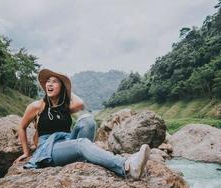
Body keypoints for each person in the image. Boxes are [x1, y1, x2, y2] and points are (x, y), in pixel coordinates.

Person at [14, 68, 150, 179]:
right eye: (48, 82)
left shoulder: (65, 107)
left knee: (88, 120)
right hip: (49, 148)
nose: (49, 84)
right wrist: (26, 152)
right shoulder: (38, 106)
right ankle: (126, 166)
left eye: (55, 82)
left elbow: (80, 104)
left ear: (61, 87)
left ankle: (87, 155)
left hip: (67, 141)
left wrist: (67, 89)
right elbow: (21, 127)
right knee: (81, 143)